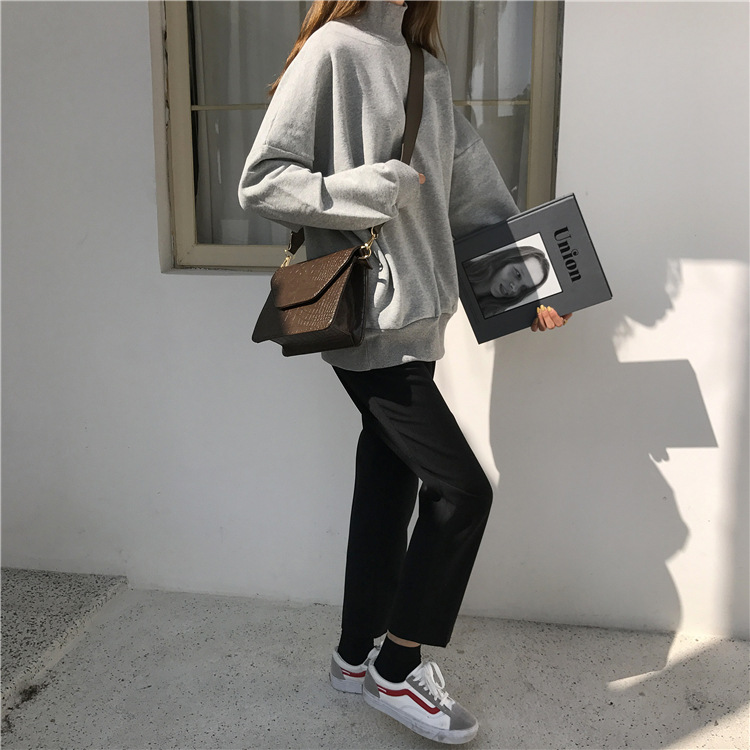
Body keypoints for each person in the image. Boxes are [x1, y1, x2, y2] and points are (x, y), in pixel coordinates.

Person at [238, 1, 571, 743]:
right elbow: (262, 181)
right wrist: (374, 188)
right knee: (462, 491)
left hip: (420, 323)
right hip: (370, 322)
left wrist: (531, 292)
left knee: (388, 485)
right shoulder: (334, 49)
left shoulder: (426, 68)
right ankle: (397, 669)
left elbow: (473, 198)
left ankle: (354, 656)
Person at [464, 244, 552, 318]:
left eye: (523, 288)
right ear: (505, 261)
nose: (514, 288)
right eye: (518, 275)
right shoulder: (461, 263)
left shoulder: (491, 317)